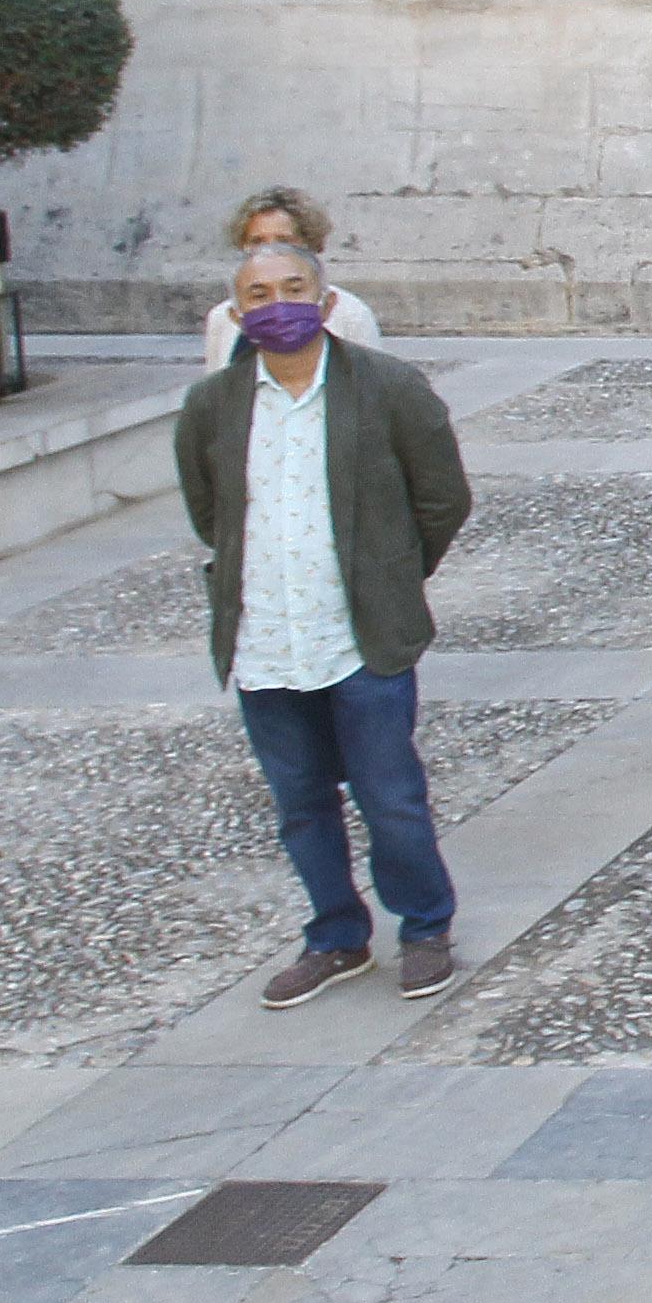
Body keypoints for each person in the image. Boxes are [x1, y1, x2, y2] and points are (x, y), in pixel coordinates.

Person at [177, 241, 473, 1007]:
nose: (277, 304)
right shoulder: (214, 404)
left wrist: (393, 576)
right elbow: (210, 511)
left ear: (324, 295)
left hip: (360, 639)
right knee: (300, 804)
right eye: (259, 292)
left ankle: (424, 925)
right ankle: (336, 935)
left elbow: (442, 498)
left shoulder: (388, 388)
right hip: (266, 642)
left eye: (293, 287)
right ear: (238, 310)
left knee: (390, 794)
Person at [197, 186, 384, 368]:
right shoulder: (222, 318)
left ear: (310, 244)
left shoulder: (351, 316)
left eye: (284, 241)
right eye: (257, 242)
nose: (270, 251)